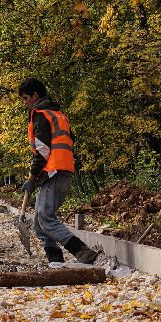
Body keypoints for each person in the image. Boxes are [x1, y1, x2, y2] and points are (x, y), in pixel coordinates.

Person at [19, 77, 100, 266]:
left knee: (45, 218)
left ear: (35, 95)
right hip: (62, 170)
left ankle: (82, 252)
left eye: (25, 98)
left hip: (54, 171)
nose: (25, 103)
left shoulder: (40, 114)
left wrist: (32, 178)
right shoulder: (59, 114)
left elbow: (43, 151)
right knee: (39, 224)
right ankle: (55, 261)